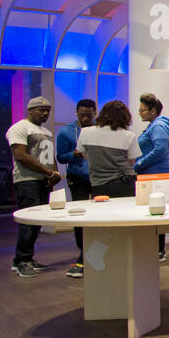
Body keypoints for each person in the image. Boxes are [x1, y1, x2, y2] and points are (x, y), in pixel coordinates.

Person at [7, 95, 60, 278]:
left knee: (37, 222)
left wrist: (54, 173)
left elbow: (49, 155)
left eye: (48, 110)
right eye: (41, 110)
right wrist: (48, 172)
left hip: (43, 180)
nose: (45, 113)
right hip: (27, 180)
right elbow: (21, 155)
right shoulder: (19, 128)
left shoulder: (46, 131)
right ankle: (21, 260)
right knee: (28, 222)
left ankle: (28, 257)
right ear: (30, 110)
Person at [56, 99, 95, 278]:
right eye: (82, 115)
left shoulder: (100, 130)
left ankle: (93, 254)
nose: (86, 117)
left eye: (89, 114)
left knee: (99, 216)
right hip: (77, 178)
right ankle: (83, 253)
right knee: (80, 215)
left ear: (95, 112)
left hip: (97, 178)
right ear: (76, 113)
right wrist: (75, 154)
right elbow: (61, 158)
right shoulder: (66, 132)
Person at [136, 93, 169, 261]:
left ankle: (159, 250)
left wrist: (139, 164)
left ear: (153, 111)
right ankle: (156, 249)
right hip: (152, 173)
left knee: (157, 211)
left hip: (158, 174)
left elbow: (160, 150)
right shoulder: (154, 125)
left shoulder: (158, 126)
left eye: (143, 110)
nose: (140, 113)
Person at [77, 100, 141, 199]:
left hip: (97, 184)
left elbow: (85, 155)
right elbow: (131, 162)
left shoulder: (85, 132)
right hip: (124, 183)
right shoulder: (129, 136)